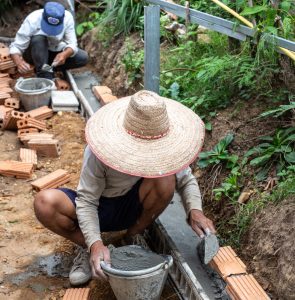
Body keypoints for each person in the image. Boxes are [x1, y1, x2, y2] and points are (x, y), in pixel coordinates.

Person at [33, 90, 216, 285]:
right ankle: (91, 250)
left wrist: (195, 210)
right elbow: (87, 201)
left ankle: (131, 238)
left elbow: (186, 179)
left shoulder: (165, 148)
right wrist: (94, 243)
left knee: (166, 180)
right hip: (99, 207)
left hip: (133, 205)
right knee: (45, 202)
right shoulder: (100, 148)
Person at [9, 1, 88, 79]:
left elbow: (72, 44)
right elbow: (16, 46)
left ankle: (47, 69)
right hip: (34, 53)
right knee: (38, 39)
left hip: (53, 52)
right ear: (43, 17)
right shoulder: (32, 20)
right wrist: (18, 62)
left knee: (82, 58)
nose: (51, 32)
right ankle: (44, 74)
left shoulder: (68, 18)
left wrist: (64, 54)